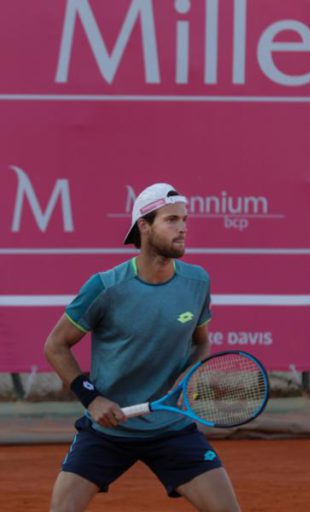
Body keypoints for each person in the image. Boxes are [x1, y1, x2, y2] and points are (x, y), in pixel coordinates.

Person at [43, 183, 241, 512]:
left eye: (185, 220)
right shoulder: (105, 287)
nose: (183, 228)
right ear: (144, 227)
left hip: (172, 428)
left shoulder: (197, 281)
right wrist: (92, 399)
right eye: (172, 220)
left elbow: (201, 342)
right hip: (107, 432)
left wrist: (190, 376)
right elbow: (55, 345)